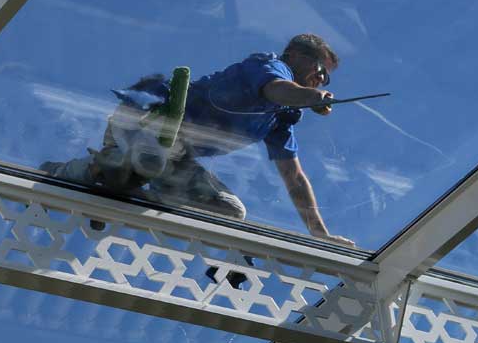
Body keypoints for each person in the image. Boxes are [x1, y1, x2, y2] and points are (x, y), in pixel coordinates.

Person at [41, 34, 353, 246]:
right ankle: (77, 173)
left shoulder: (279, 119)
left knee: (230, 211)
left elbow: (294, 177)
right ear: (295, 56)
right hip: (149, 119)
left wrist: (319, 233)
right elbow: (277, 88)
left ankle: (117, 191)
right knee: (151, 156)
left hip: (174, 154)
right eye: (320, 71)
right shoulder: (268, 66)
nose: (320, 79)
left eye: (324, 79)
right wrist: (312, 95)